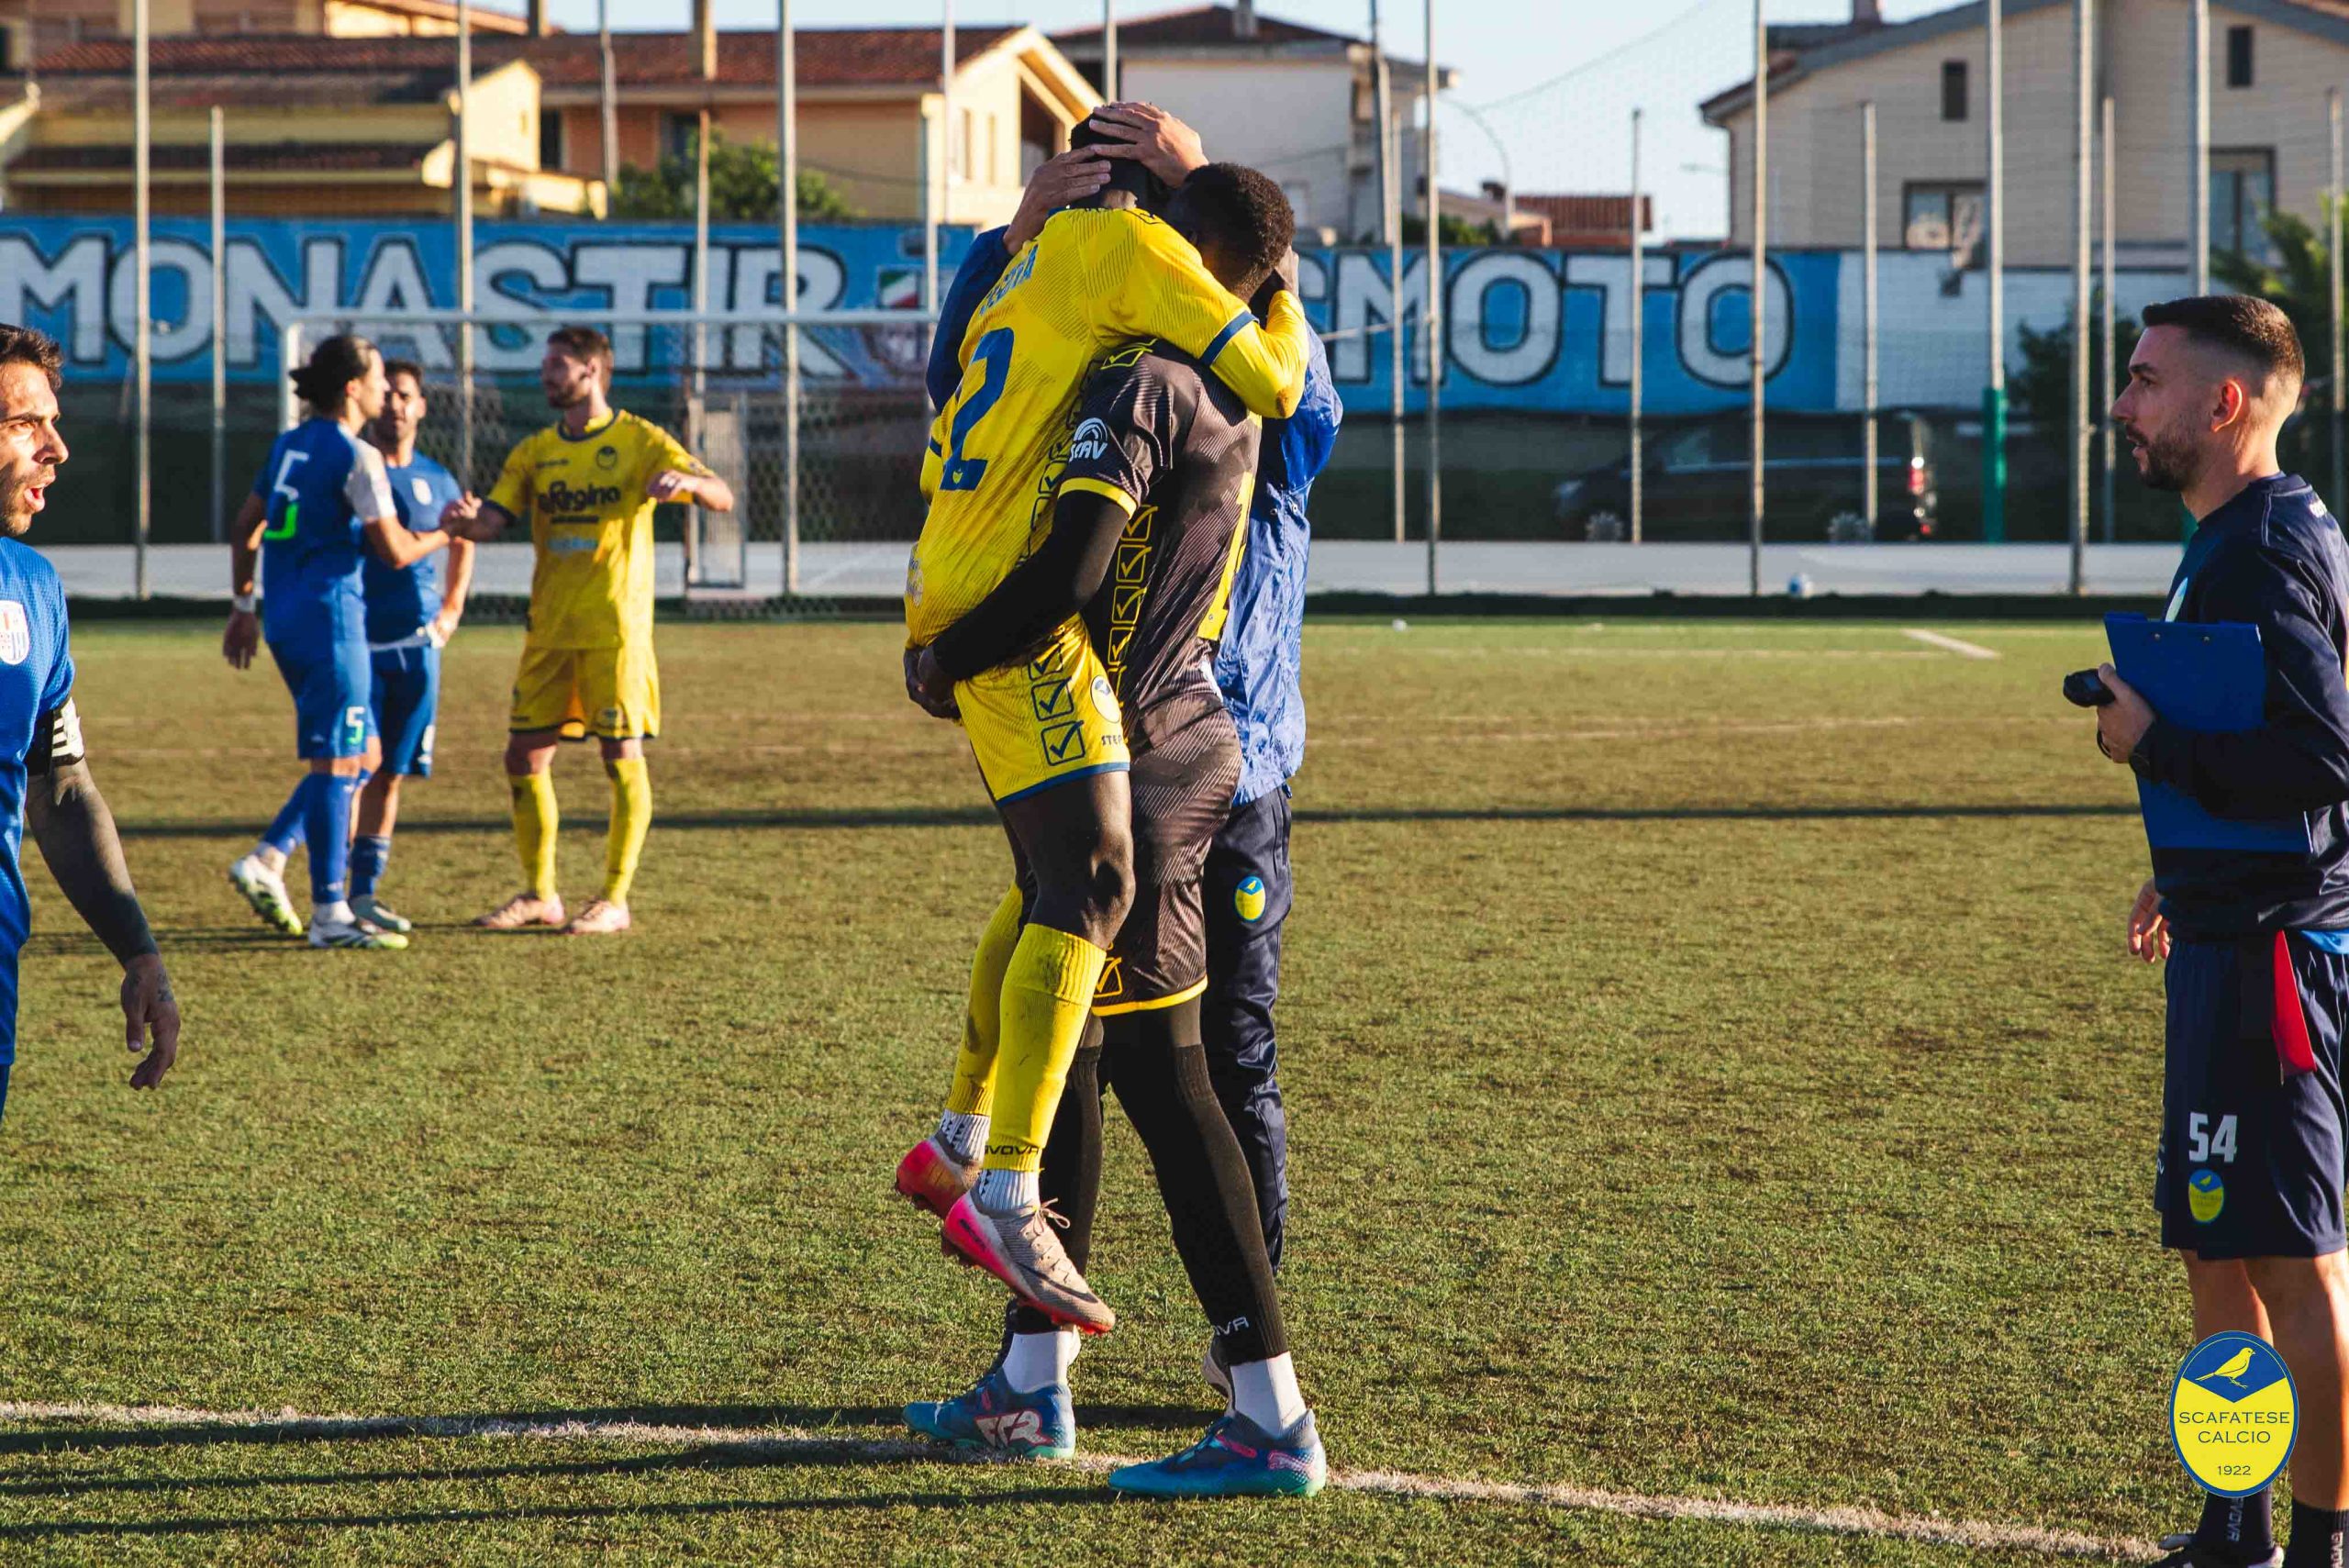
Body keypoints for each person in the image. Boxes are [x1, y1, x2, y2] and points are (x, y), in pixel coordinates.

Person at [902, 165, 1327, 1500]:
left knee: (1164, 1080)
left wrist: (947, 653)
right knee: (1088, 1057)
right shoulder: (1252, 384)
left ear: (1180, 258)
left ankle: (1269, 1412)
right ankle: (1031, 1381)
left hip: (1132, 751)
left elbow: (1073, 571)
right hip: (1184, 734)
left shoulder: (1142, 382)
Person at [2092, 295, 2349, 1568]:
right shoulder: (2246, 532)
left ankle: (2323, 1542)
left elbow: (2325, 755)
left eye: (2145, 381)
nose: (2122, 404)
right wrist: (2182, 863)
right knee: (2217, 1246)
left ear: (2224, 402)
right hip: (2228, 927)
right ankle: (2233, 1527)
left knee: (2294, 1260)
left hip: (2270, 963)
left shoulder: (2260, 550)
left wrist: (2155, 744)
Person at [443, 326, 734, 938]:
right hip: (550, 629)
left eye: (558, 364)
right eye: (546, 364)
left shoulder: (640, 439)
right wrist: (466, 523)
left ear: (593, 370)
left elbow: (721, 494)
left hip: (614, 629)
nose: (546, 375)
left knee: (620, 754)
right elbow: (493, 520)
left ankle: (614, 899)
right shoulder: (535, 451)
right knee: (523, 755)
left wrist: (687, 483)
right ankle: (540, 894)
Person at [0, 323, 181, 1111]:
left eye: (53, 422)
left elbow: (62, 786)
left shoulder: (34, 588)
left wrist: (139, 952)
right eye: (23, 424)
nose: (56, 449)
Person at [222, 335, 453, 950]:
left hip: (286, 618)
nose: (384, 390)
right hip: (333, 621)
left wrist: (243, 606)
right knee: (338, 762)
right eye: (377, 379)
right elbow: (395, 550)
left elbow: (245, 526)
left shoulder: (289, 444)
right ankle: (330, 913)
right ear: (353, 388)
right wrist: (447, 530)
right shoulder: (358, 455)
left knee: (366, 754)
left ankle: (271, 857)